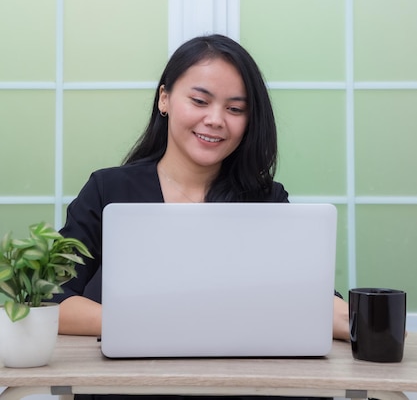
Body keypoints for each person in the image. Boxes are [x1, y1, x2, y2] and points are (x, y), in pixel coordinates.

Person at [55, 34, 349, 400]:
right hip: (130, 386)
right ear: (165, 99)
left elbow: (314, 299)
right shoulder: (107, 189)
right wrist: (156, 322)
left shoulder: (266, 199)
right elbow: (54, 301)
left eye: (235, 109)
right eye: (199, 101)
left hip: (239, 387)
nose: (215, 120)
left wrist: (372, 324)